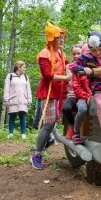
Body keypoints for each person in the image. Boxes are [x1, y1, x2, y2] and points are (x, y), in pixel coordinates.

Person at [30, 21, 71, 170]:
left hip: (59, 92)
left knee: (52, 123)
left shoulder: (61, 52)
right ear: (52, 38)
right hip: (48, 93)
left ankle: (47, 141)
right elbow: (47, 75)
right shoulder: (44, 54)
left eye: (62, 37)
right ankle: (37, 154)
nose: (62, 39)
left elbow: (68, 65)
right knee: (48, 125)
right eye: (59, 37)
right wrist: (66, 78)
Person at [63, 44, 92, 144]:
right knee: (66, 108)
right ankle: (71, 125)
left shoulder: (89, 65)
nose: (76, 56)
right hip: (73, 94)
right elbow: (70, 81)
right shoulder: (70, 66)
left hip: (83, 94)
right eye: (74, 54)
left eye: (78, 53)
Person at [3, 61, 32, 139]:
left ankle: (23, 133)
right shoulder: (10, 76)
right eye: (24, 67)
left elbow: (28, 89)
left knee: (23, 116)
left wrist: (29, 100)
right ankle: (11, 133)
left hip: (23, 100)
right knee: (12, 116)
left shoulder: (26, 77)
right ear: (19, 67)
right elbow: (6, 88)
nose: (25, 69)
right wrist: (6, 99)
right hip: (13, 99)